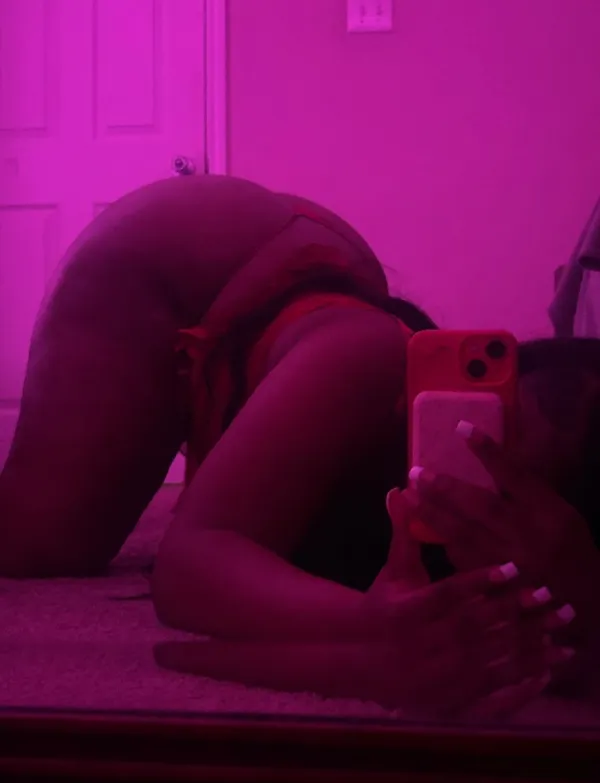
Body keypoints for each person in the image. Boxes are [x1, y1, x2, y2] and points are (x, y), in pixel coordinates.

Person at [1, 175, 599, 719]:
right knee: (39, 544)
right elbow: (189, 571)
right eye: (502, 410)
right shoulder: (366, 357)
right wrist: (372, 626)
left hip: (292, 293)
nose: (479, 449)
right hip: (180, 256)